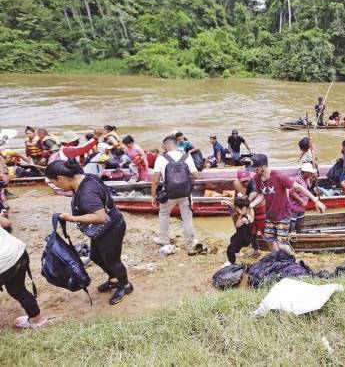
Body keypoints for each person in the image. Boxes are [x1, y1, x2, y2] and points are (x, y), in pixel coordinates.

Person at [46, 159, 133, 305]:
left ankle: (125, 286)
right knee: (96, 256)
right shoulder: (85, 177)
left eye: (54, 182)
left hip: (111, 228)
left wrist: (72, 218)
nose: (55, 186)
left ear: (60, 178)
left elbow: (100, 217)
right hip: (104, 228)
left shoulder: (87, 192)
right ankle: (113, 280)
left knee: (113, 261)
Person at [248, 154, 326, 254]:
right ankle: (276, 259)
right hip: (269, 215)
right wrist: (251, 204)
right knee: (269, 241)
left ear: (263, 166)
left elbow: (298, 187)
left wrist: (315, 200)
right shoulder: (257, 178)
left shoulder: (279, 176)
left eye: (256, 168)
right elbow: (262, 194)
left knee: (282, 244)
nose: (254, 171)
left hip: (283, 215)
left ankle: (293, 259)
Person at [150, 136, 202, 255]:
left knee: (164, 214)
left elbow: (156, 181)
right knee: (187, 218)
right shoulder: (186, 156)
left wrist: (152, 196)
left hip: (168, 194)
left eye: (163, 146)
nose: (163, 148)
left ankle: (164, 239)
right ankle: (190, 242)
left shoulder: (161, 159)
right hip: (185, 193)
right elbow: (195, 175)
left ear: (168, 145)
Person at [0, 226, 47, 329]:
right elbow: (6, 222)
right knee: (18, 289)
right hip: (18, 252)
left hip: (3, 263)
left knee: (17, 289)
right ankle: (37, 320)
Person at [231, 169, 262, 257]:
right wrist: (235, 208)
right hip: (244, 210)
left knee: (249, 232)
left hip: (251, 209)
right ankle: (254, 248)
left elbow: (254, 195)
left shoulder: (254, 184)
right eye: (243, 181)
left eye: (247, 180)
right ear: (239, 180)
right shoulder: (236, 183)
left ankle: (254, 248)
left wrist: (242, 212)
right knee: (244, 231)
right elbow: (237, 195)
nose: (245, 183)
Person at [223, 195, 255, 267]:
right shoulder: (250, 212)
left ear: (243, 208)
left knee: (230, 249)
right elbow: (246, 206)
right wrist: (228, 203)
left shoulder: (244, 219)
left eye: (237, 209)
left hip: (242, 239)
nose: (236, 210)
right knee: (232, 238)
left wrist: (240, 216)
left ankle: (232, 263)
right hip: (246, 236)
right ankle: (238, 252)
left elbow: (237, 225)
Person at [288, 163, 317, 232]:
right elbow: (291, 192)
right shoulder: (296, 179)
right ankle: (289, 236)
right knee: (292, 223)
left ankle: (299, 234)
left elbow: (308, 187)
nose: (311, 173)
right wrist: (300, 200)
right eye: (310, 172)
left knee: (300, 222)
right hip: (295, 206)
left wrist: (312, 180)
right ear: (305, 172)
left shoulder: (307, 178)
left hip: (302, 206)